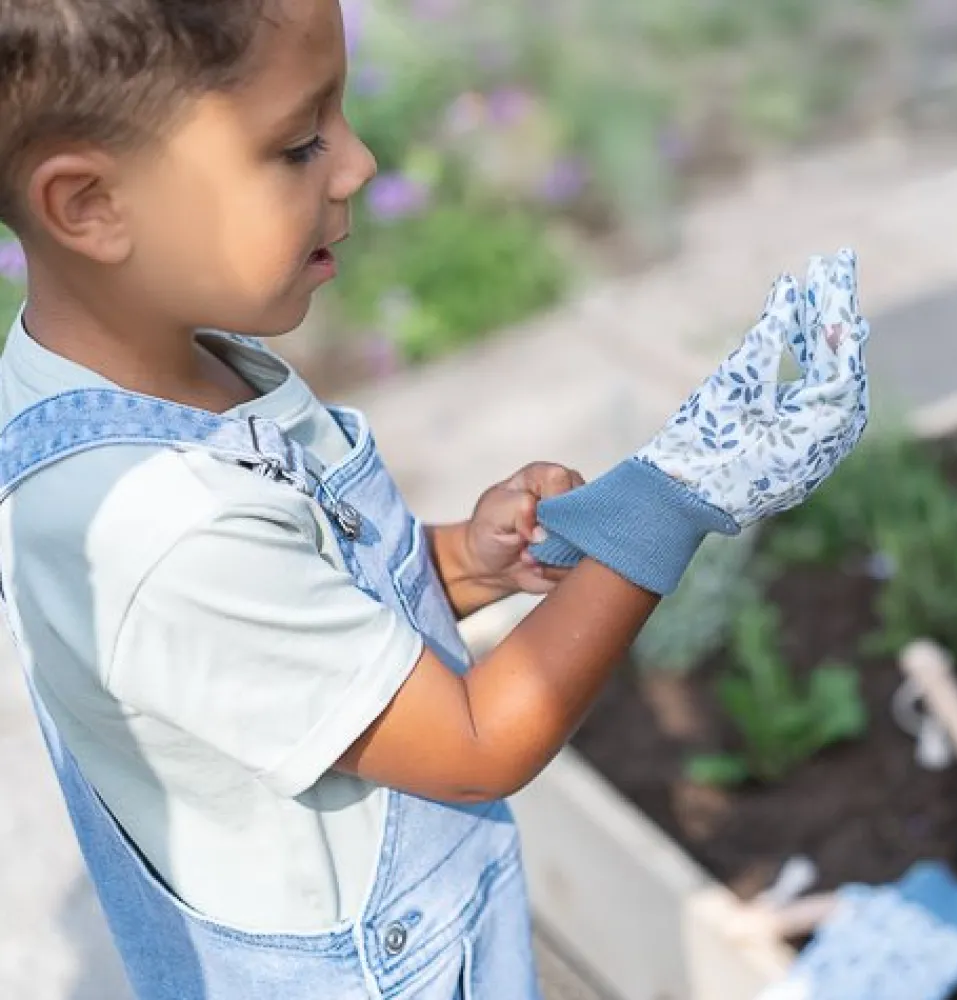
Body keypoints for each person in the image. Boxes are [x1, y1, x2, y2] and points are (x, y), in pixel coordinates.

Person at [0, 1, 870, 997]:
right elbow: (472, 742)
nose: (360, 164)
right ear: (90, 206)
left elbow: (304, 591)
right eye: (298, 144)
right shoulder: (156, 528)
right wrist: (671, 497)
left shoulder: (162, 368)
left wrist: (462, 559)